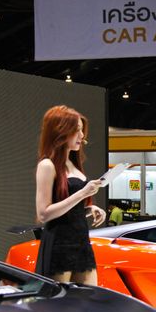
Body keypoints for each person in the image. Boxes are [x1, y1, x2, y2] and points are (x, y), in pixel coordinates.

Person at [35, 105, 106, 285]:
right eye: (77, 131)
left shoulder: (73, 164)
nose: (82, 136)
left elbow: (68, 206)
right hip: (59, 245)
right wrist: (83, 193)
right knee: (60, 308)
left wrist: (89, 208)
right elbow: (43, 213)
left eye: (82, 131)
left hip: (81, 242)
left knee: (88, 302)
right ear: (60, 132)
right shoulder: (47, 165)